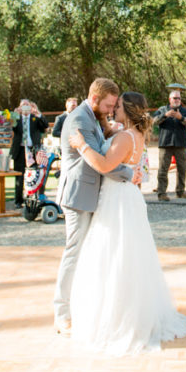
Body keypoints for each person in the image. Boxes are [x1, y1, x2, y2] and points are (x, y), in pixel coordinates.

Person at [66, 91, 186, 354]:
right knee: (129, 255)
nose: (114, 109)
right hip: (127, 196)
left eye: (119, 105)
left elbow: (103, 164)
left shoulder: (124, 137)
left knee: (113, 255)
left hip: (117, 199)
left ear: (129, 109)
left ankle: (118, 320)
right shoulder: (132, 135)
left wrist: (81, 145)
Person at [52, 77, 140, 336]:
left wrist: (109, 132)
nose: (112, 110)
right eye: (109, 105)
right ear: (94, 99)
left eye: (115, 105)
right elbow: (99, 162)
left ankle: (83, 307)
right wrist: (129, 172)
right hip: (79, 195)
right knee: (74, 252)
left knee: (89, 253)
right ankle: (62, 313)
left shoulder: (93, 117)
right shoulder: (79, 120)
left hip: (91, 193)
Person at [152, 89, 186, 201]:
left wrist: (181, 118)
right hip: (165, 143)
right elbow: (153, 121)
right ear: (170, 99)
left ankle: (180, 191)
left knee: (182, 168)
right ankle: (162, 193)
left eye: (179, 98)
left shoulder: (184, 111)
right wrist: (165, 115)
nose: (177, 100)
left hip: (180, 144)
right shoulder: (162, 109)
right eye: (175, 98)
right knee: (163, 169)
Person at [11, 99, 50, 208]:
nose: (25, 108)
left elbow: (45, 126)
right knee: (19, 176)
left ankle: (33, 199)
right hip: (20, 150)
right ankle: (18, 201)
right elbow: (12, 127)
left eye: (27, 105)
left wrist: (38, 113)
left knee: (34, 176)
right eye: (23, 106)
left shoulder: (35, 119)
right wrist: (15, 114)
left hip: (33, 150)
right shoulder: (17, 119)